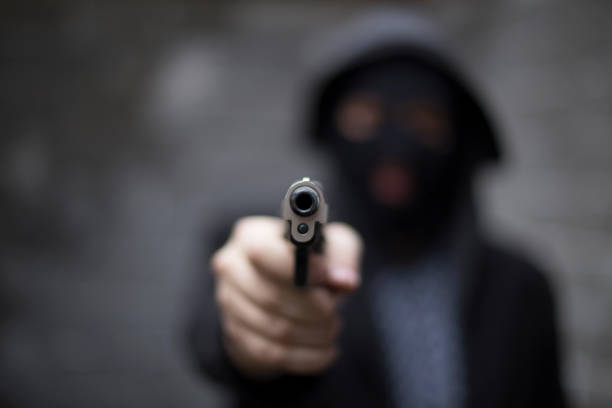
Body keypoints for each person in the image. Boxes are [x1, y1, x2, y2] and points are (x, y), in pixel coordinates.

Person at [187, 9, 566, 408]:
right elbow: (218, 335)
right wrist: (256, 324)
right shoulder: (259, 245)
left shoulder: (521, 287)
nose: (394, 149)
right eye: (364, 118)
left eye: (423, 121)